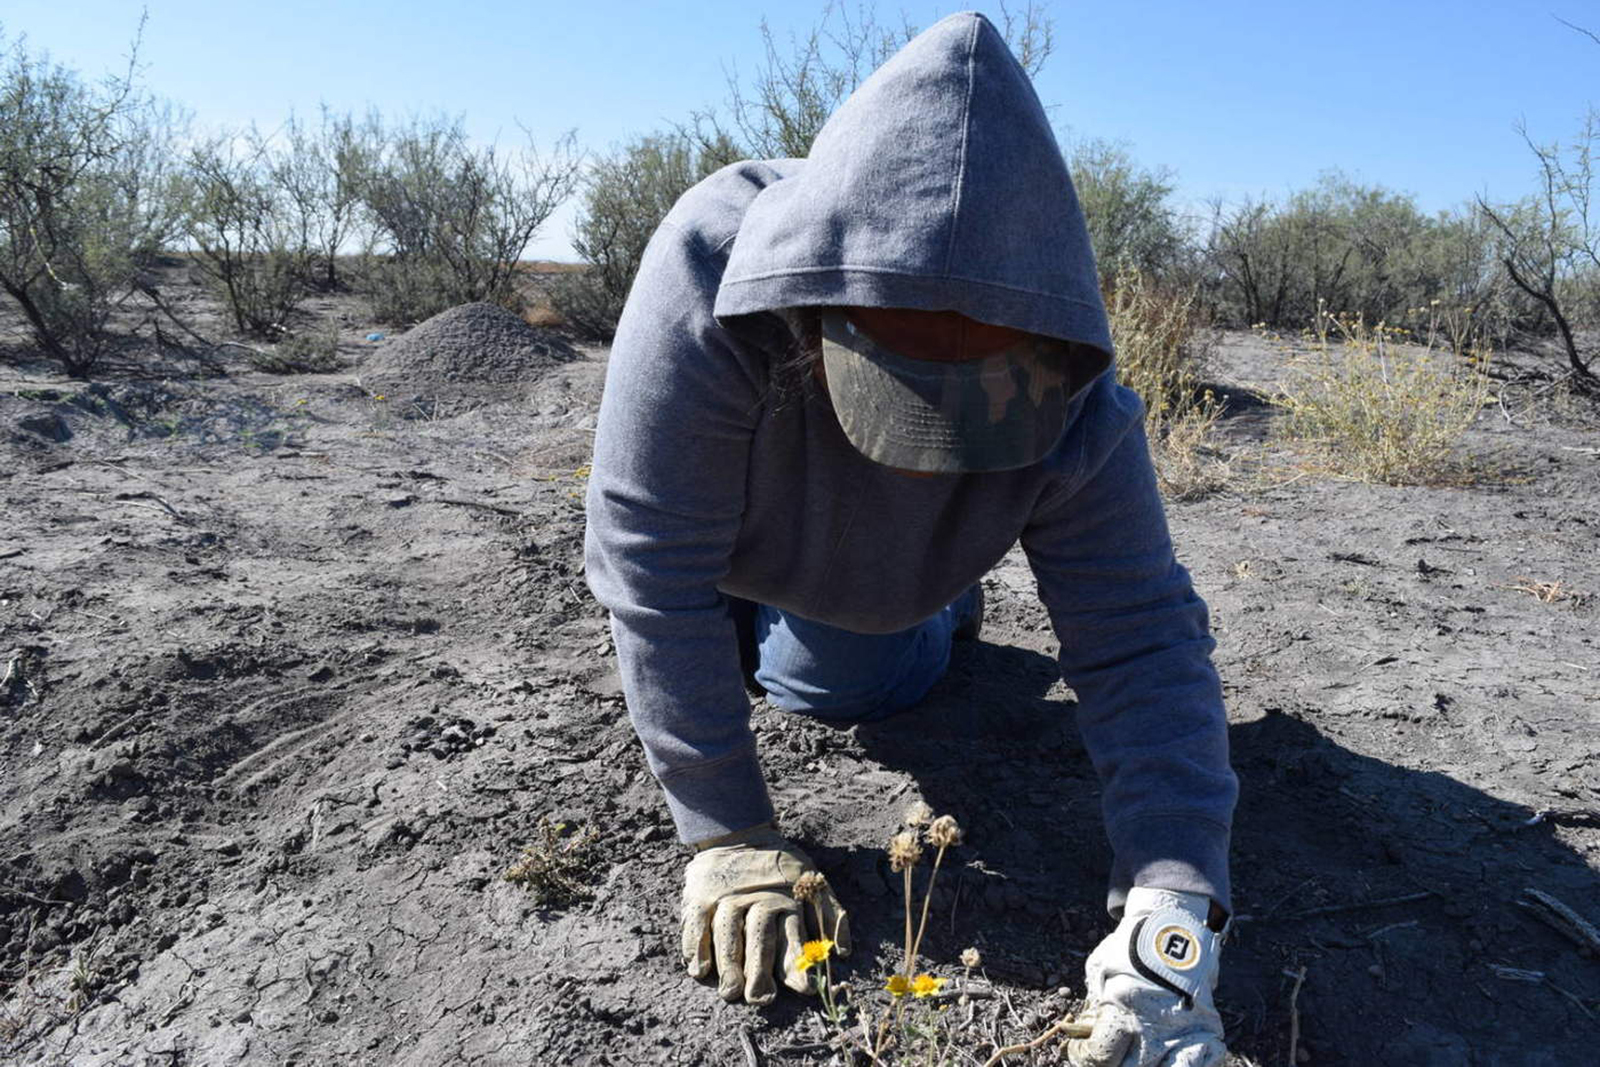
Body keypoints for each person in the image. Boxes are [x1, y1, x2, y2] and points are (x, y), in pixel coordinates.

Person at [583, 11, 1238, 1066]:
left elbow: (1141, 639)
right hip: (736, 518)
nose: (921, 455)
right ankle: (846, 602)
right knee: (696, 621)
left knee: (836, 680)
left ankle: (925, 607)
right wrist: (728, 831)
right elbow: (650, 567)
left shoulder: (1077, 387)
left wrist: (1174, 905)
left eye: (972, 402)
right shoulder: (710, 269)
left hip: (858, 581)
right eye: (901, 387)